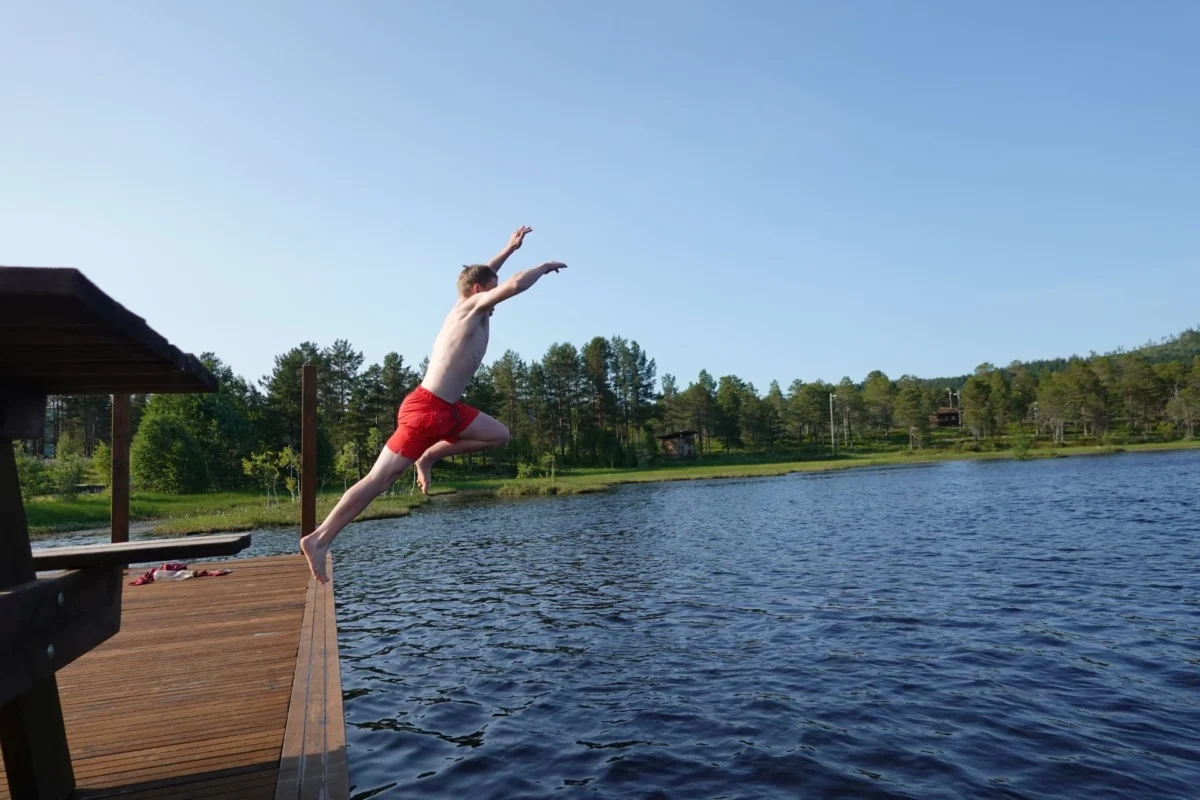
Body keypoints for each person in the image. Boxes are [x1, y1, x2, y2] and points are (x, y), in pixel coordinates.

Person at [300, 226, 566, 583]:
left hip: (449, 411)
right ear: (478, 292)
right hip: (427, 409)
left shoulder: (466, 302)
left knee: (500, 435)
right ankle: (319, 539)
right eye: (492, 288)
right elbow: (513, 284)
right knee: (379, 479)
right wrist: (544, 265)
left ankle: (430, 455)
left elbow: (481, 275)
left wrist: (509, 247)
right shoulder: (471, 307)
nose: (496, 293)